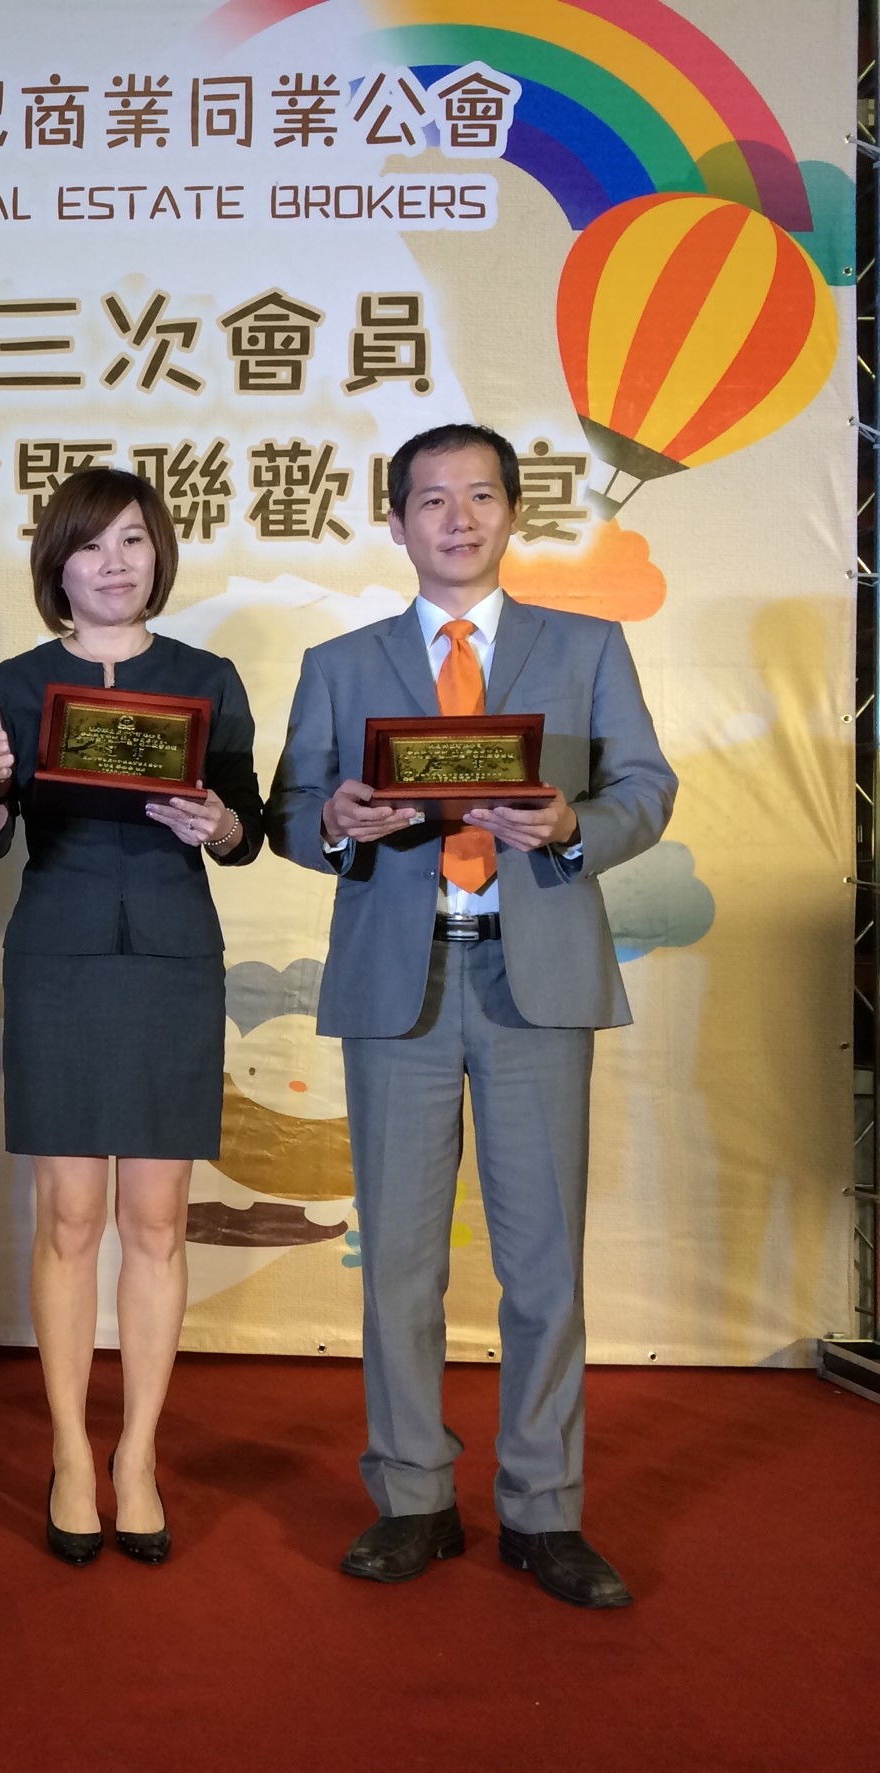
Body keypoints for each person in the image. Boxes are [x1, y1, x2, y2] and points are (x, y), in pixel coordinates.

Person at [265, 422, 675, 1609]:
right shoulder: (340, 663)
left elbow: (645, 786)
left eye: (480, 496)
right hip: (396, 987)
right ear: (394, 521)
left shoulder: (585, 646)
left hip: (534, 979)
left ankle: (544, 1512)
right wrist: (335, 821)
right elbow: (290, 810)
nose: (457, 518)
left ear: (512, 512)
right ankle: (412, 1498)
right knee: (396, 1260)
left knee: (542, 1263)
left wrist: (575, 826)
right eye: (432, 499)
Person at [0, 467, 264, 1567]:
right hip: (59, 955)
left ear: (157, 554)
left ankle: (135, 1454)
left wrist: (217, 822)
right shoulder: (13, 682)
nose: (113, 563)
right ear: (58, 562)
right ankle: (68, 1455)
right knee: (69, 1218)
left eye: (132, 540)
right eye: (90, 544)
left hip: (173, 959)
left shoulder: (205, 677)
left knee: (156, 1218)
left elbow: (249, 830)